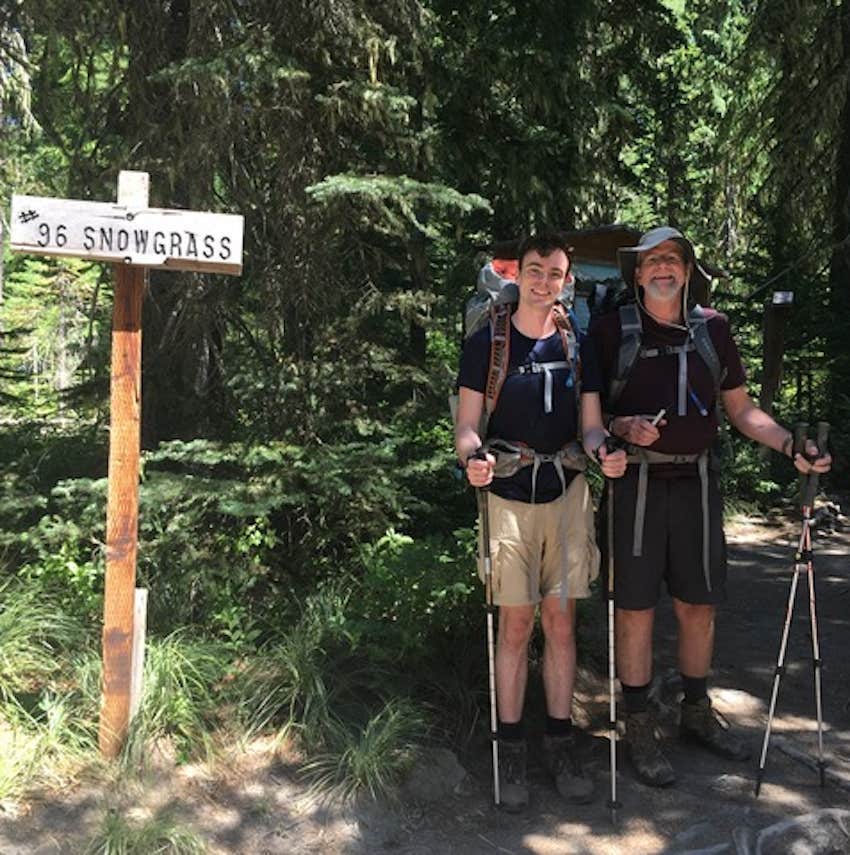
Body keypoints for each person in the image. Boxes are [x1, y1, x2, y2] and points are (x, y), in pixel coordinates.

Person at [580, 225, 832, 787]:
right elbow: (590, 419)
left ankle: (696, 711)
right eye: (652, 261)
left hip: (696, 484)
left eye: (673, 259)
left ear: (687, 271)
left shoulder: (713, 330)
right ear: (637, 274)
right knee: (635, 609)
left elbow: (742, 411)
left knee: (700, 605)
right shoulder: (608, 331)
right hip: (635, 488)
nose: (663, 268)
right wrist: (620, 429)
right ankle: (640, 721)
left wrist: (791, 443)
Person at [455, 231, 626, 811]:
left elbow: (593, 424)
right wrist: (473, 460)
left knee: (560, 622)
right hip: (507, 497)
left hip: (568, 493)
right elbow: (467, 427)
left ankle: (559, 741)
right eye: (535, 271)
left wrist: (607, 451)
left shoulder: (577, 345)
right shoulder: (489, 343)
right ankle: (511, 750)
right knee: (516, 626)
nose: (544, 282)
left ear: (566, 280)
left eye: (555, 274)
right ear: (517, 274)